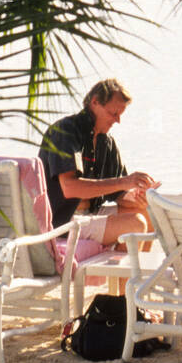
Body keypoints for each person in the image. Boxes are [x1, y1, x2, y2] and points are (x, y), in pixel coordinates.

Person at [39, 79, 160, 250]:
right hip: (62, 221)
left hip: (90, 214)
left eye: (120, 115)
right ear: (95, 102)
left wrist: (137, 196)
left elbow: (119, 192)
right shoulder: (66, 131)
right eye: (113, 113)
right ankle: (129, 275)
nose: (117, 120)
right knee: (135, 224)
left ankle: (129, 276)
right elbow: (70, 188)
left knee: (149, 213)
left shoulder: (106, 143)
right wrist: (125, 181)